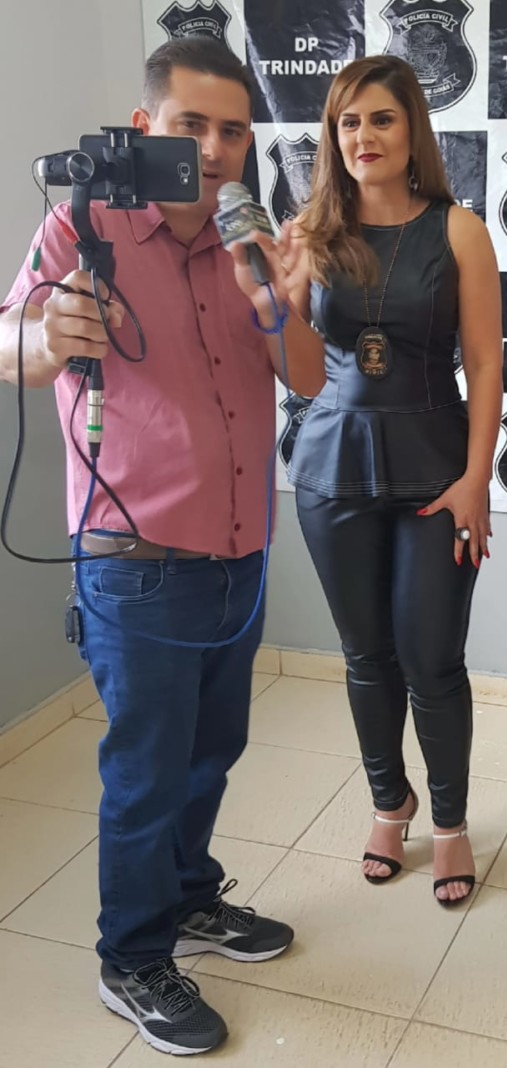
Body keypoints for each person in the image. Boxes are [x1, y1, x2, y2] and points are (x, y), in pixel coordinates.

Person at [0, 37, 324, 1056]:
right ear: (146, 127)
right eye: (193, 127)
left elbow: (307, 378)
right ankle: (131, 958)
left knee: (209, 752)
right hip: (134, 560)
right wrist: (49, 336)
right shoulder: (82, 226)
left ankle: (186, 897)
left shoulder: (249, 237)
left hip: (239, 551)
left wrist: (281, 300)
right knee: (146, 771)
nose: (216, 150)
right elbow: (9, 345)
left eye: (233, 130)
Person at [233, 55, 502, 907]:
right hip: (332, 470)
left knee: (433, 660)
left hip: (437, 472)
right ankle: (390, 804)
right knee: (364, 658)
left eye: (380, 118)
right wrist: (274, 306)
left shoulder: (458, 231)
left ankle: (450, 822)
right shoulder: (309, 233)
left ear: (411, 129)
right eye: (347, 122)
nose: (363, 136)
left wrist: (475, 480)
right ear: (332, 137)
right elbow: (303, 375)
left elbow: (485, 366)